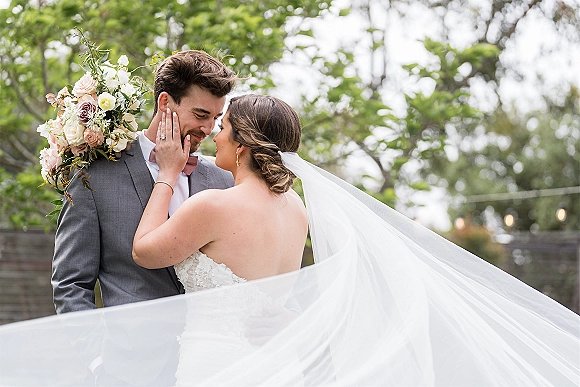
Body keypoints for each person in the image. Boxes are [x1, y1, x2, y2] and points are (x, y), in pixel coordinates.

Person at [0, 94, 578, 386]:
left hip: (213, 365)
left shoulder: (213, 204)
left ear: (245, 147)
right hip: (268, 364)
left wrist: (171, 172)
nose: (214, 137)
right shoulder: (297, 211)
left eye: (222, 129)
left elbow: (145, 250)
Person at [51, 50, 237, 314]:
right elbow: (71, 284)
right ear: (164, 103)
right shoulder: (95, 178)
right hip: (129, 351)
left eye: (216, 119)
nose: (208, 129)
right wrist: (93, 354)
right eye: (200, 114)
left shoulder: (224, 179)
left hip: (208, 348)